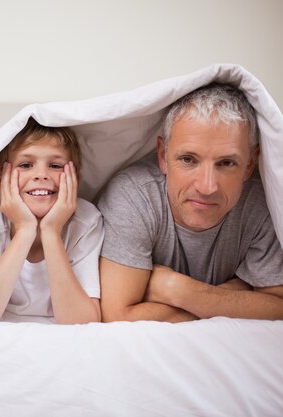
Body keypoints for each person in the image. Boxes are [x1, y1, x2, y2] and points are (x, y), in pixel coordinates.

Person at [98, 83, 283, 323]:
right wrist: (237, 297)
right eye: (188, 159)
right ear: (163, 156)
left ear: (249, 165)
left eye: (226, 163)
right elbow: (118, 315)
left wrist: (178, 290)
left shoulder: (261, 203)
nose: (207, 187)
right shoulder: (135, 196)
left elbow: (277, 306)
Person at [0, 118, 103, 324]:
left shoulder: (87, 221)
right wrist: (25, 230)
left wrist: (51, 232)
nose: (41, 175)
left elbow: (82, 322)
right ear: (0, 180)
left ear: (75, 180)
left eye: (55, 165)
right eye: (26, 165)